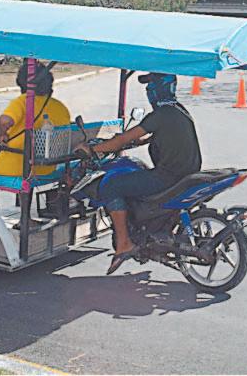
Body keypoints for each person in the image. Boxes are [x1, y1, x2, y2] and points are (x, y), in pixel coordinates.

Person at [78, 72, 202, 275]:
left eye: (151, 84)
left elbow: (120, 141)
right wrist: (138, 141)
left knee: (111, 186)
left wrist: (93, 149)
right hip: (185, 175)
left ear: (160, 87)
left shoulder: (160, 115)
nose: (148, 90)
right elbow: (160, 136)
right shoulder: (179, 110)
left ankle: (124, 244)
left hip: (166, 177)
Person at [0, 62, 71, 178]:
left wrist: (2, 134)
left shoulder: (23, 102)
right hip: (46, 169)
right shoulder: (60, 107)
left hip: (18, 168)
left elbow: (5, 120)